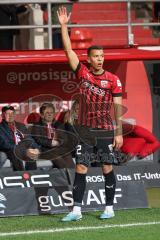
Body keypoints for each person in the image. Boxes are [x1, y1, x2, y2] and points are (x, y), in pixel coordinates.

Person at [57, 6, 123, 221]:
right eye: (96, 56)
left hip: (104, 129)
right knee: (81, 166)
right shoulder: (82, 73)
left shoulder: (113, 79)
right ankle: (76, 211)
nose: (100, 59)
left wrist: (119, 133)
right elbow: (68, 51)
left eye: (102, 56)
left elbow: (118, 107)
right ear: (89, 58)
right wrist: (64, 26)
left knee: (106, 166)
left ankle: (109, 208)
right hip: (84, 129)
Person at [30, 102, 75, 168]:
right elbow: (38, 139)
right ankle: (66, 176)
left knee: (67, 156)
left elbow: (64, 138)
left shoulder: (59, 124)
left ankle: (73, 175)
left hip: (59, 148)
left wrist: (58, 142)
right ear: (42, 115)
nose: (50, 115)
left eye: (51, 113)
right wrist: (50, 143)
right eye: (47, 113)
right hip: (45, 149)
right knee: (60, 161)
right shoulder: (37, 126)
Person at [0, 105, 40, 171]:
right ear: (2, 116)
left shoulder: (21, 126)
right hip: (8, 150)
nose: (10, 116)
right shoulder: (1, 128)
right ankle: (20, 175)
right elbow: (5, 144)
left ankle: (32, 174)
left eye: (12, 113)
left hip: (22, 149)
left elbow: (29, 139)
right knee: (15, 153)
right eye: (7, 114)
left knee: (31, 153)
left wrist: (36, 148)